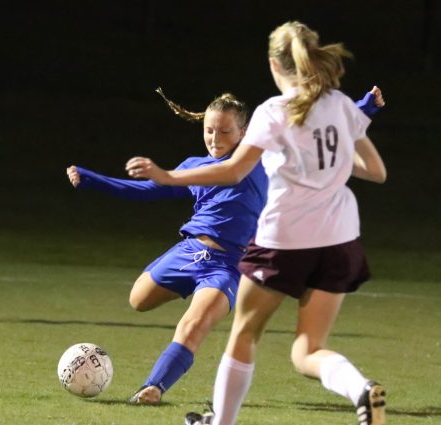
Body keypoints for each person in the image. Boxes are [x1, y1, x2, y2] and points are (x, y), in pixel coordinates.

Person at [125, 21, 387, 425]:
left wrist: (169, 176)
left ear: (273, 64)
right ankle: (360, 389)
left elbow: (232, 170)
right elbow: (375, 171)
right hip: (340, 241)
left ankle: (221, 422)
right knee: (307, 350)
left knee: (244, 334)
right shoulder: (339, 106)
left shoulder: (273, 111)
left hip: (286, 239)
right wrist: (331, 158)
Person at [68, 91, 269, 405]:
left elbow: (306, 121)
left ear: (244, 133)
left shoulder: (256, 160)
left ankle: (154, 387)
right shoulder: (195, 166)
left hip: (229, 265)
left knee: (193, 324)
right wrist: (92, 179)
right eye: (209, 130)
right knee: (138, 300)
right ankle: (193, 288)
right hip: (190, 252)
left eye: (225, 131)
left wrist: (360, 109)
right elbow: (147, 191)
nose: (215, 138)